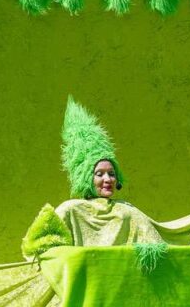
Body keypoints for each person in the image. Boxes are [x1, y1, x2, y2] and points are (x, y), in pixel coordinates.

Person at [52, 96, 161, 246]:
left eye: (111, 174)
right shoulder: (71, 210)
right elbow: (46, 242)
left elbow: (160, 238)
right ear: (86, 179)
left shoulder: (127, 211)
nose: (108, 179)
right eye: (99, 174)